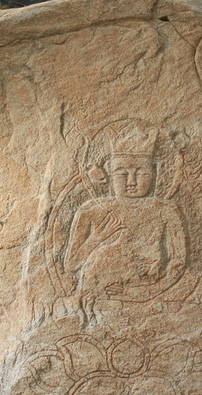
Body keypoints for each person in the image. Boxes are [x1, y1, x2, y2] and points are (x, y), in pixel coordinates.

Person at [65, 128, 186, 314]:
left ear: (154, 173)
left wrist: (142, 293)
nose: (131, 182)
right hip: (97, 301)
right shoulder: (91, 210)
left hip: (151, 300)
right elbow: (72, 265)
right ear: (110, 174)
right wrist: (95, 239)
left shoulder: (165, 210)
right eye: (122, 174)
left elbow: (178, 262)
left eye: (141, 174)